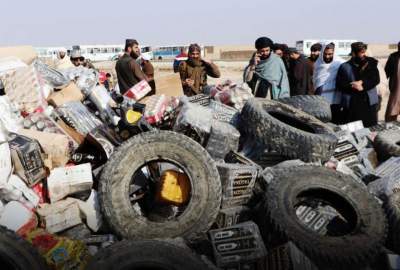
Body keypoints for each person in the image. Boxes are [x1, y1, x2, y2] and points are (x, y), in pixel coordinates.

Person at [336, 42, 380, 127]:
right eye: (362, 52)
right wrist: (352, 86)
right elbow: (339, 85)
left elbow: (375, 79)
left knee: (370, 129)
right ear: (353, 53)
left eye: (364, 52)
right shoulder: (344, 66)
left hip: (368, 102)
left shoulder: (371, 63)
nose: (364, 55)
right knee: (354, 130)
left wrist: (362, 84)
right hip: (352, 104)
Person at [313, 43, 345, 124]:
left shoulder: (340, 63)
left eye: (330, 54)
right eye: (325, 54)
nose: (327, 56)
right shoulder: (318, 63)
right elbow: (315, 79)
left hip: (335, 100)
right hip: (320, 98)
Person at [384, 41, 400, 122]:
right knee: (392, 111)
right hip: (396, 89)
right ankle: (391, 129)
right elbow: (386, 72)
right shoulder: (393, 56)